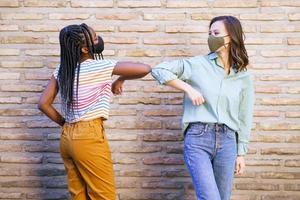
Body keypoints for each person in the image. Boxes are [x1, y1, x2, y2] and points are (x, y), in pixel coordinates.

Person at [38, 23, 151, 200]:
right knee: (103, 196)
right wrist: (120, 78)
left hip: (67, 139)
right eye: (96, 38)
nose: (99, 40)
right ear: (84, 48)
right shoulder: (100, 67)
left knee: (79, 195)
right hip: (88, 137)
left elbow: (43, 104)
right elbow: (145, 69)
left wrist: (65, 123)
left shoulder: (62, 70)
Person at [151, 16, 254, 200]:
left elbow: (244, 116)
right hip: (199, 137)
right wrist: (188, 88)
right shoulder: (197, 64)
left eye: (216, 33)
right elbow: (158, 70)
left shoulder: (243, 76)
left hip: (228, 141)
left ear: (231, 37)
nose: (211, 37)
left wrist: (241, 153)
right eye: (209, 33)